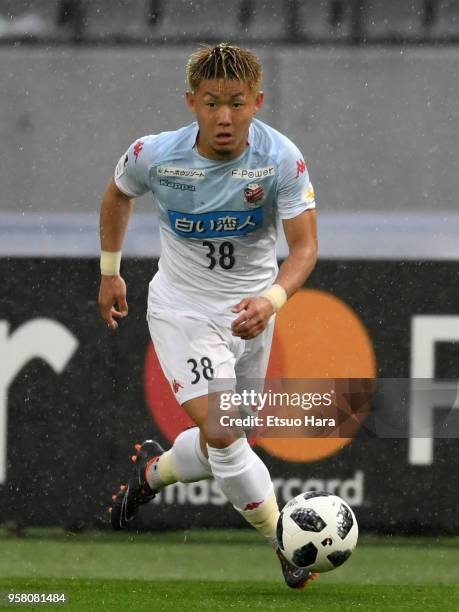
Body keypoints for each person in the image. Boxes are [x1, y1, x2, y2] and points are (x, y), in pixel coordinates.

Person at [98, 43, 318, 589]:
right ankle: (284, 543)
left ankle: (155, 470)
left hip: (252, 314)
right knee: (223, 431)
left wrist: (272, 300)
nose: (225, 117)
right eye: (213, 103)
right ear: (191, 102)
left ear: (258, 102)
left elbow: (306, 248)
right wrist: (110, 271)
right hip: (184, 310)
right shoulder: (156, 154)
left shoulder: (281, 159)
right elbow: (117, 195)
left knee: (232, 435)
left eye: (237, 103)